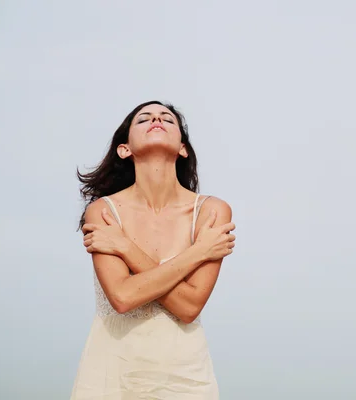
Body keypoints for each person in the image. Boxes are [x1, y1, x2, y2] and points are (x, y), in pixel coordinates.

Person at [70, 100, 235, 399]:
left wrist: (123, 246)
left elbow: (189, 308)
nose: (156, 119)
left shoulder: (212, 211)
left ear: (183, 148)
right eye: (144, 118)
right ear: (125, 149)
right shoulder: (103, 212)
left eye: (167, 119)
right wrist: (199, 251)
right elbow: (122, 297)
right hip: (111, 371)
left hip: (185, 376)